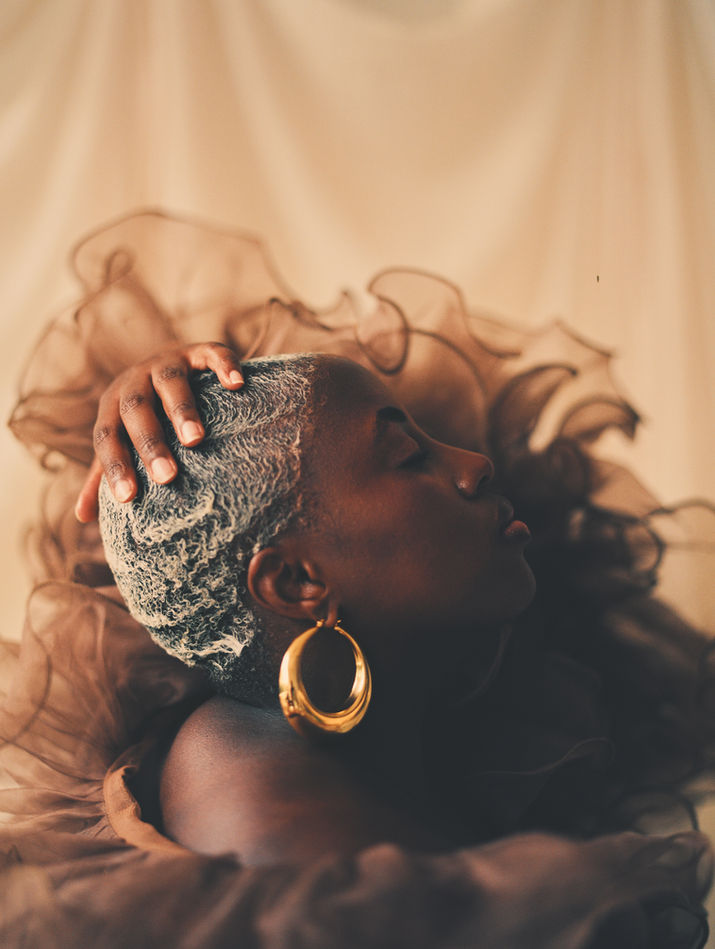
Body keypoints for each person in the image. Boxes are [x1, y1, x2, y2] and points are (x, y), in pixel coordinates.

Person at [2, 210, 714, 947]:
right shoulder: (345, 903)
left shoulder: (239, 671)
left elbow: (309, 465)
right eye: (410, 455)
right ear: (295, 583)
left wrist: (192, 420)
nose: (474, 463)